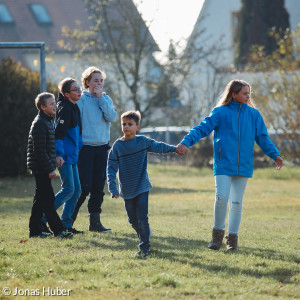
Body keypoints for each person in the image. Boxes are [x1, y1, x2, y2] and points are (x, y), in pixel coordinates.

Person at [177, 79, 284, 251]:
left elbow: (263, 138)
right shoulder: (220, 112)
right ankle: (216, 237)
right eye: (244, 93)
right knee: (221, 199)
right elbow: (201, 129)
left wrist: (275, 155)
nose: (248, 96)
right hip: (223, 163)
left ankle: (232, 240)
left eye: (249, 93)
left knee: (236, 203)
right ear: (233, 94)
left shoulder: (254, 115)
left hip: (244, 164)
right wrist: (185, 143)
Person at [107, 111, 180, 258]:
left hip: (142, 186)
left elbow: (159, 147)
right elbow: (111, 167)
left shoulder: (142, 141)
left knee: (142, 217)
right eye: (124, 124)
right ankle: (145, 234)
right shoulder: (118, 146)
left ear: (137, 127)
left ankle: (144, 248)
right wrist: (113, 187)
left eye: (130, 124)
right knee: (132, 219)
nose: (126, 127)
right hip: (126, 188)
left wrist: (175, 148)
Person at [71, 66, 117, 233]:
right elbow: (77, 122)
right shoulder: (81, 100)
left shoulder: (105, 98)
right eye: (95, 80)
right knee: (83, 187)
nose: (99, 83)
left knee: (98, 187)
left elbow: (111, 117)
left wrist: (100, 99)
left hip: (102, 148)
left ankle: (95, 223)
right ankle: (68, 221)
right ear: (87, 82)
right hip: (86, 149)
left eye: (101, 80)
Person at [27, 92, 73, 238]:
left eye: (54, 102)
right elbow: (39, 151)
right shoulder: (40, 123)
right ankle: (59, 230)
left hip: (43, 166)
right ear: (43, 107)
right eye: (51, 104)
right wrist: (49, 169)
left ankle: (35, 230)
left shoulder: (46, 121)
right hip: (41, 168)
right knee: (47, 200)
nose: (55, 106)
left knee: (40, 199)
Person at [42, 78, 83, 234]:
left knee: (76, 191)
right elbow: (58, 133)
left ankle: (66, 224)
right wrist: (59, 155)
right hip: (64, 156)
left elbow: (77, 131)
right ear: (66, 94)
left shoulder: (75, 107)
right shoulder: (64, 108)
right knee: (68, 189)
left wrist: (79, 146)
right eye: (75, 89)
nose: (79, 91)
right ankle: (43, 219)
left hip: (72, 156)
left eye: (79, 89)